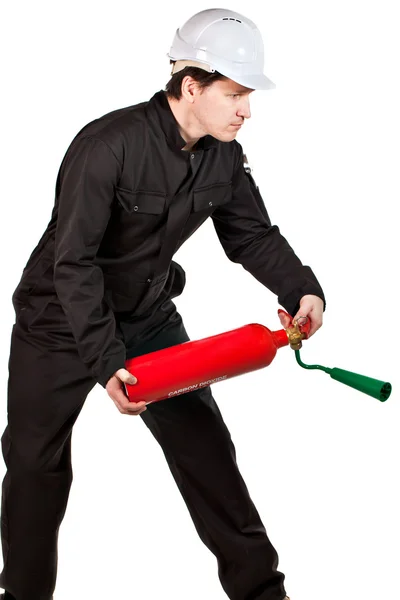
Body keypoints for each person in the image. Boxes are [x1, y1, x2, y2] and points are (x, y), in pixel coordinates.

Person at [0, 8, 325, 600]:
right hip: (58, 325)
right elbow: (72, 264)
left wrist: (301, 288)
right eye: (234, 94)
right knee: (34, 468)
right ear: (191, 86)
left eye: (248, 96)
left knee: (206, 449)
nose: (246, 110)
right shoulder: (107, 146)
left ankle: (262, 593)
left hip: (148, 319)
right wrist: (105, 363)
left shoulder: (223, 154)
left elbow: (250, 234)